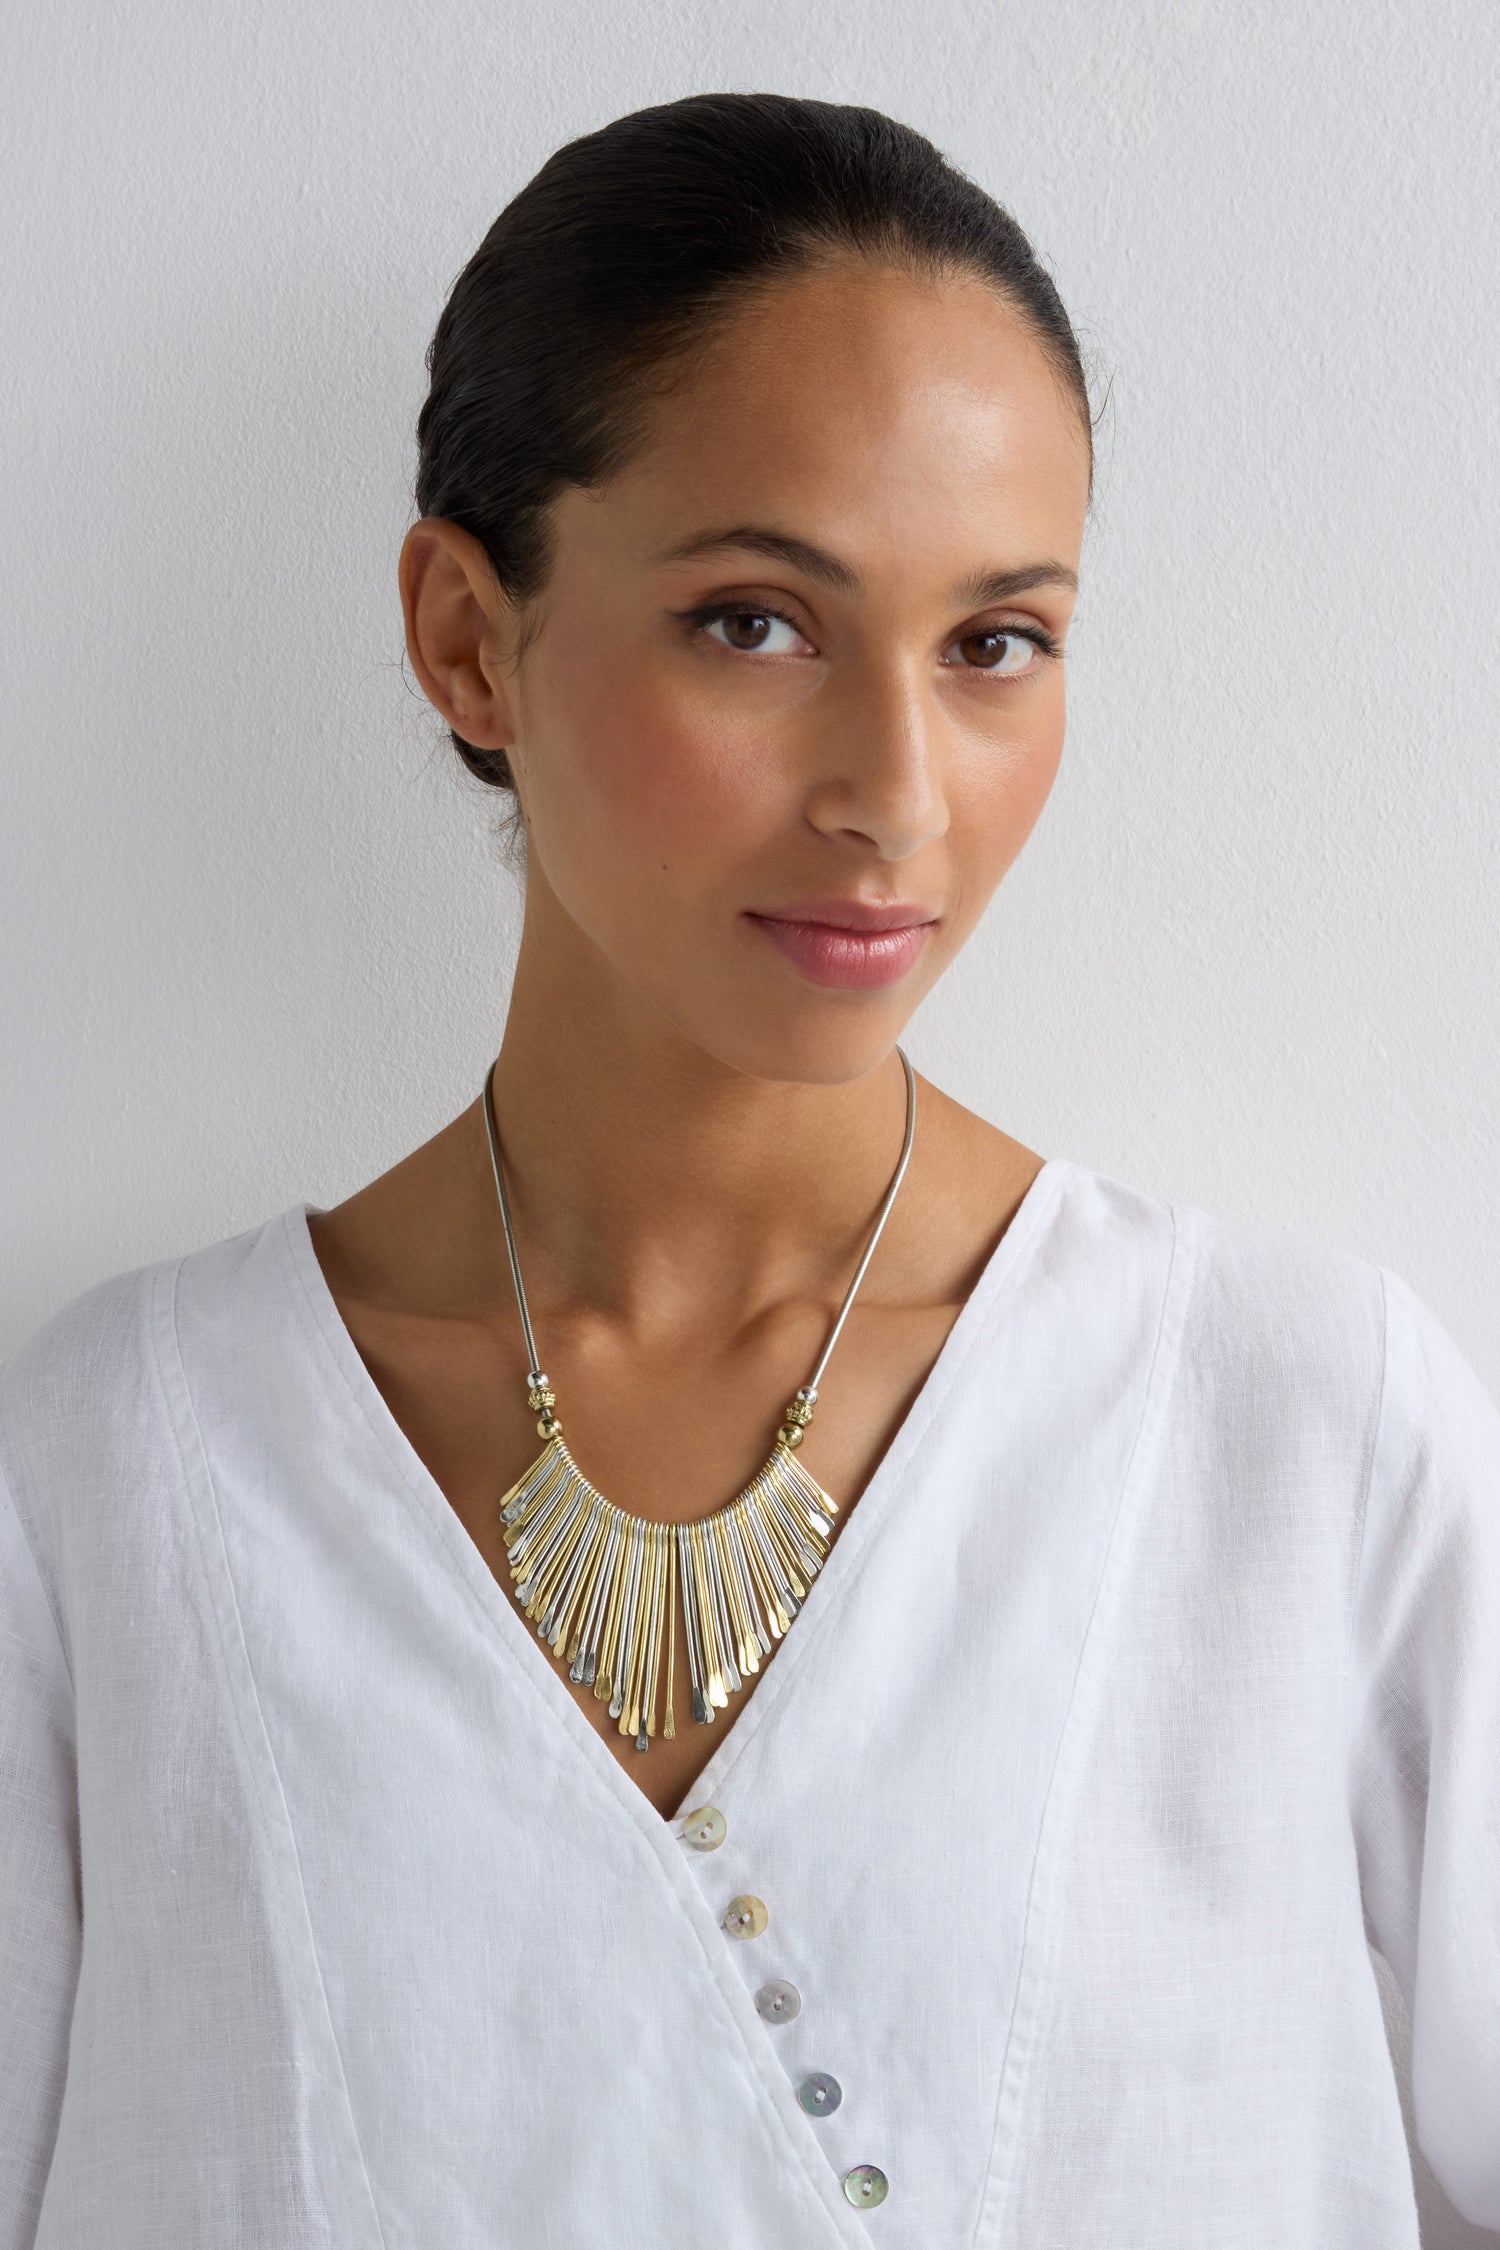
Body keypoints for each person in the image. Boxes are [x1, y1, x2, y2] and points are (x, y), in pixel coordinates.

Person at [1, 91, 1496, 2250]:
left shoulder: (1303, 1425)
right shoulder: (124, 1474)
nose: (897, 796)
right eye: (756, 624)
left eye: (997, 644)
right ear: (465, 637)